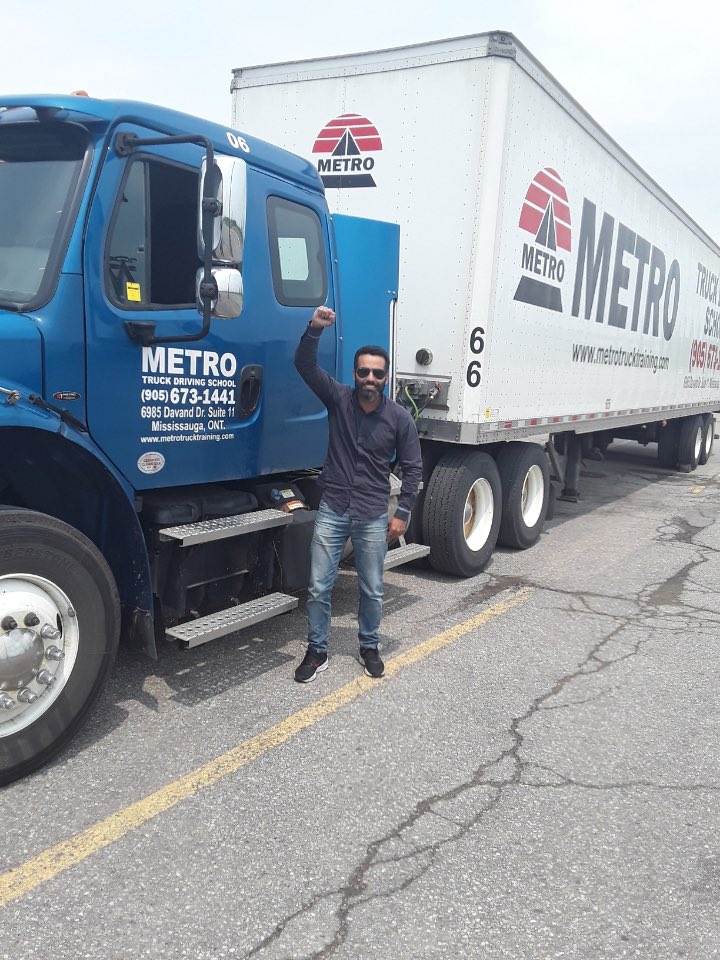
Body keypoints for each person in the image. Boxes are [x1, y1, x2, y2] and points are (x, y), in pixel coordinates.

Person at [293, 305, 423, 683]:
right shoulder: (338, 398)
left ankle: (369, 646)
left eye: (377, 373)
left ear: (385, 378)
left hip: (371, 513)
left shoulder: (399, 418)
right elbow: (304, 365)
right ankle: (317, 651)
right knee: (319, 587)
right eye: (363, 371)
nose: (370, 377)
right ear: (354, 374)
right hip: (333, 507)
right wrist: (315, 328)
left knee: (372, 588)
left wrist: (403, 513)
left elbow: (413, 467)